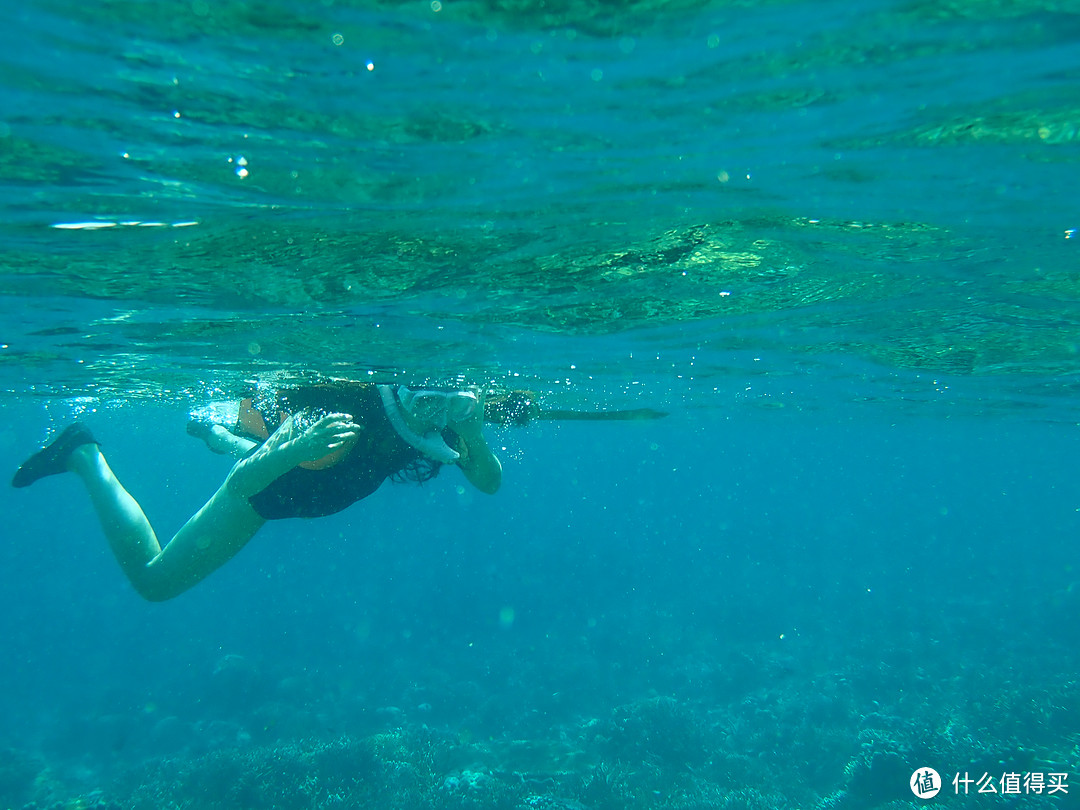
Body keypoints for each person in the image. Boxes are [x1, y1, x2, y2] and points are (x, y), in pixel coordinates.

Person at [11, 381, 503, 602]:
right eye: (425, 399)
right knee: (154, 582)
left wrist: (474, 430)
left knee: (232, 442)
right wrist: (297, 448)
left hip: (297, 492)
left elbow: (489, 483)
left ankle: (215, 433)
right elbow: (245, 481)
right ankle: (84, 454)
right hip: (263, 492)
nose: (432, 413)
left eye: (445, 404)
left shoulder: (446, 425)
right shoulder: (346, 399)